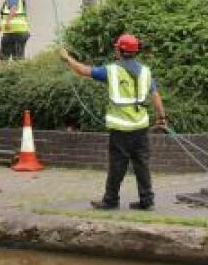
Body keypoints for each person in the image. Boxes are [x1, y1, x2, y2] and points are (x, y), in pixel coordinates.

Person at [60, 33, 167, 210]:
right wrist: (162, 119)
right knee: (142, 165)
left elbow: (83, 71)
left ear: (119, 50)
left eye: (117, 47)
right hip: (141, 127)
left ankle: (110, 201)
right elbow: (155, 95)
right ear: (135, 52)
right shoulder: (146, 72)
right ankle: (147, 202)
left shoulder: (111, 71)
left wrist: (67, 59)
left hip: (120, 129)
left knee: (117, 166)